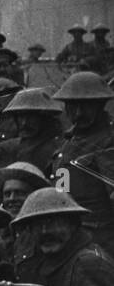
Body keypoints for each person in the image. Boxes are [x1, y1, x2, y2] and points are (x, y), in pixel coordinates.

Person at [51, 71, 114, 257]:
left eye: (86, 106)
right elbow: (62, 187)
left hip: (100, 240)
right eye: (72, 106)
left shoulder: (108, 142)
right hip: (67, 232)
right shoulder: (69, 141)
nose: (78, 113)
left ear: (100, 105)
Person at [0, 88, 64, 178]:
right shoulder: (6, 148)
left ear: (45, 118)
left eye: (31, 117)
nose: (24, 123)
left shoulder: (60, 149)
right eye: (20, 116)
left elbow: (63, 189)